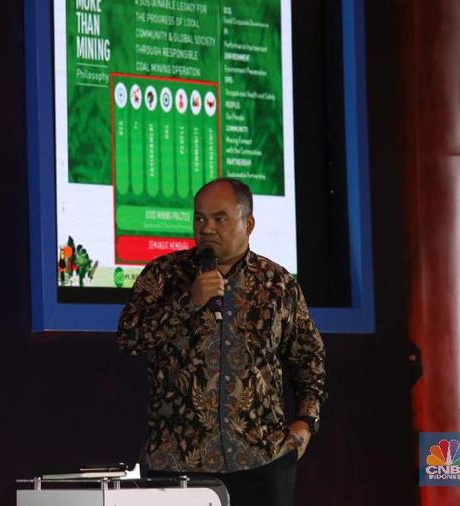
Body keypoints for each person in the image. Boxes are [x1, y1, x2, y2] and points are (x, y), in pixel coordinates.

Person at [116, 178, 327, 506]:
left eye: (219, 218)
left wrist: (306, 422)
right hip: (178, 464)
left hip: (262, 460)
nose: (207, 228)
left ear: (248, 224)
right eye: (199, 218)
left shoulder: (278, 284)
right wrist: (189, 302)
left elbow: (309, 356)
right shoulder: (163, 275)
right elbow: (130, 339)